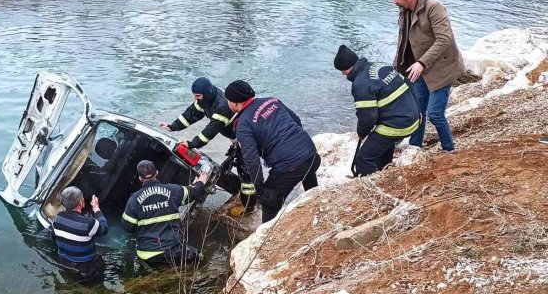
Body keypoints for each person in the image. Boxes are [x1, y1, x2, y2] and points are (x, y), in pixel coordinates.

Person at [224, 80, 321, 223]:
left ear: (234, 103)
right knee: (306, 169)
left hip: (290, 167)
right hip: (312, 154)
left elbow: (251, 159)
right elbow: (297, 120)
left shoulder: (243, 124)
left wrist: (259, 188)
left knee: (269, 201)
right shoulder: (272, 101)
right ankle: (316, 205)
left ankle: (266, 239)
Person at [391, 0, 466, 152]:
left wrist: (422, 63)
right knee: (418, 111)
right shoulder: (404, 11)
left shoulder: (434, 7)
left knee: (435, 114)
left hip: (441, 68)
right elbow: (403, 41)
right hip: (417, 69)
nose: (394, 2)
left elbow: (444, 39)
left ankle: (449, 149)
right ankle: (415, 146)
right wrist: (396, 66)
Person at [159, 77, 253, 209]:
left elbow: (209, 132)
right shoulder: (205, 100)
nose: (196, 99)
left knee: (246, 173)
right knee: (240, 169)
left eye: (198, 96)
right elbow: (190, 115)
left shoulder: (223, 105)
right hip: (237, 139)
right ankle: (247, 197)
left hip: (247, 139)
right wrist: (172, 126)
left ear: (206, 93)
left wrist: (191, 144)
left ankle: (250, 204)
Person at [334, 45, 421, 176]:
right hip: (413, 116)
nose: (343, 74)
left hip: (399, 124)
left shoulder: (361, 84)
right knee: (383, 145)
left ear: (347, 68)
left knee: (363, 159)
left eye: (342, 70)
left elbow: (367, 117)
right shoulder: (382, 66)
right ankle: (384, 172)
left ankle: (369, 187)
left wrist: (362, 133)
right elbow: (409, 85)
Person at [121, 160, 208, 264]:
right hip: (171, 251)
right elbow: (193, 192)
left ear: (140, 178)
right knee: (200, 258)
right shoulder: (173, 190)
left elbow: (127, 226)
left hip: (145, 254)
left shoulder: (133, 199)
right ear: (157, 173)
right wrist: (200, 182)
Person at [47, 186, 109, 282]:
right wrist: (96, 209)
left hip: (63, 264)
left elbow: (52, 237)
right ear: (81, 202)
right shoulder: (90, 223)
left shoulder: (57, 219)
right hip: (85, 268)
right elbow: (104, 228)